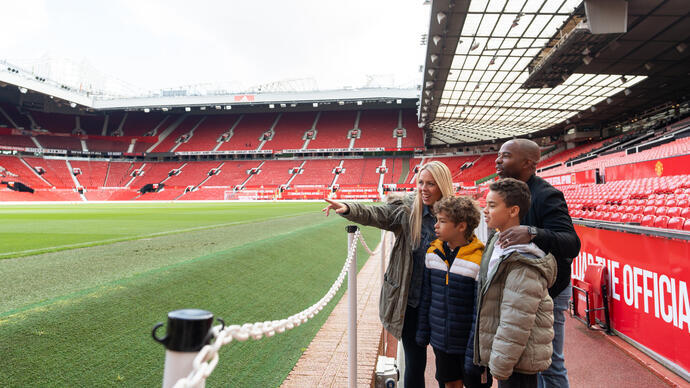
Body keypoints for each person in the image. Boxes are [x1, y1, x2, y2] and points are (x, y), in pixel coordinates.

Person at [323, 161, 454, 388]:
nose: (424, 188)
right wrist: (348, 208)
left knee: (446, 368)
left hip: (443, 304)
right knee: (414, 364)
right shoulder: (407, 210)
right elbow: (378, 213)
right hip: (411, 302)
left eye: (431, 184)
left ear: (442, 186)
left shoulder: (456, 215)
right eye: (421, 182)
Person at [494, 139, 581, 388]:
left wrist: (532, 231)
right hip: (515, 291)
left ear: (528, 163)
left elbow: (572, 243)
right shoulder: (503, 194)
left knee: (548, 364)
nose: (498, 160)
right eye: (499, 155)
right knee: (522, 362)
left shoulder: (547, 195)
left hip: (547, 292)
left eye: (506, 156)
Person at [470, 178, 557, 388]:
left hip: (518, 363)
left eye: (492, 205)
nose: (485, 211)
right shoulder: (497, 242)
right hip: (509, 358)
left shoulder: (523, 259)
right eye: (486, 205)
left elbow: (516, 321)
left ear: (513, 210)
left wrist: (499, 366)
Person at [415, 196, 484, 388]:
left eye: (442, 221)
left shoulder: (479, 260)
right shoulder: (432, 254)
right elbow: (426, 297)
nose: (435, 225)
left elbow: (481, 312)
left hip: (471, 345)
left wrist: (474, 348)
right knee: (449, 384)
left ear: (461, 226)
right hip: (441, 342)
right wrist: (423, 331)